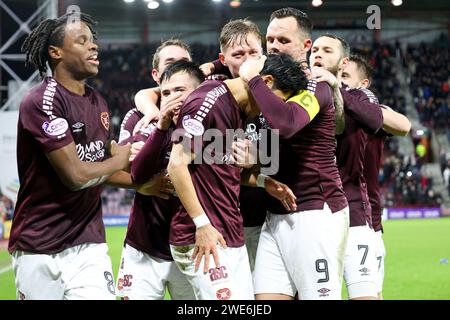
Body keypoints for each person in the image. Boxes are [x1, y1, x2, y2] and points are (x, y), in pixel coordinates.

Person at [8, 12, 132, 300]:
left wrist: (141, 184)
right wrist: (122, 156)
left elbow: (99, 169)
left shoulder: (97, 101)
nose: (94, 47)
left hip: (88, 244)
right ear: (56, 52)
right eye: (82, 41)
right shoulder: (41, 102)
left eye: (94, 41)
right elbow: (76, 176)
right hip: (39, 246)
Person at [167, 53, 303, 300]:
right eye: (276, 103)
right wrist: (202, 224)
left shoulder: (238, 110)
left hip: (229, 234)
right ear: (266, 82)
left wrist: (264, 182)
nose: (272, 113)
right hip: (201, 237)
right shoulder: (207, 101)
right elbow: (176, 165)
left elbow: (219, 169)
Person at [115, 61, 204, 300]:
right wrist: (142, 185)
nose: (173, 96)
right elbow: (124, 168)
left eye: (180, 90)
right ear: (156, 76)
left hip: (191, 246)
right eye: (167, 92)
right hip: (145, 246)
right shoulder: (141, 120)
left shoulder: (211, 125)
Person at [341, 54, 411, 299]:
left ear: (363, 84)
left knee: (371, 292)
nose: (339, 81)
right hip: (325, 213)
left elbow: (404, 125)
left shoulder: (371, 111)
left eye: (345, 76)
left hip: (367, 218)